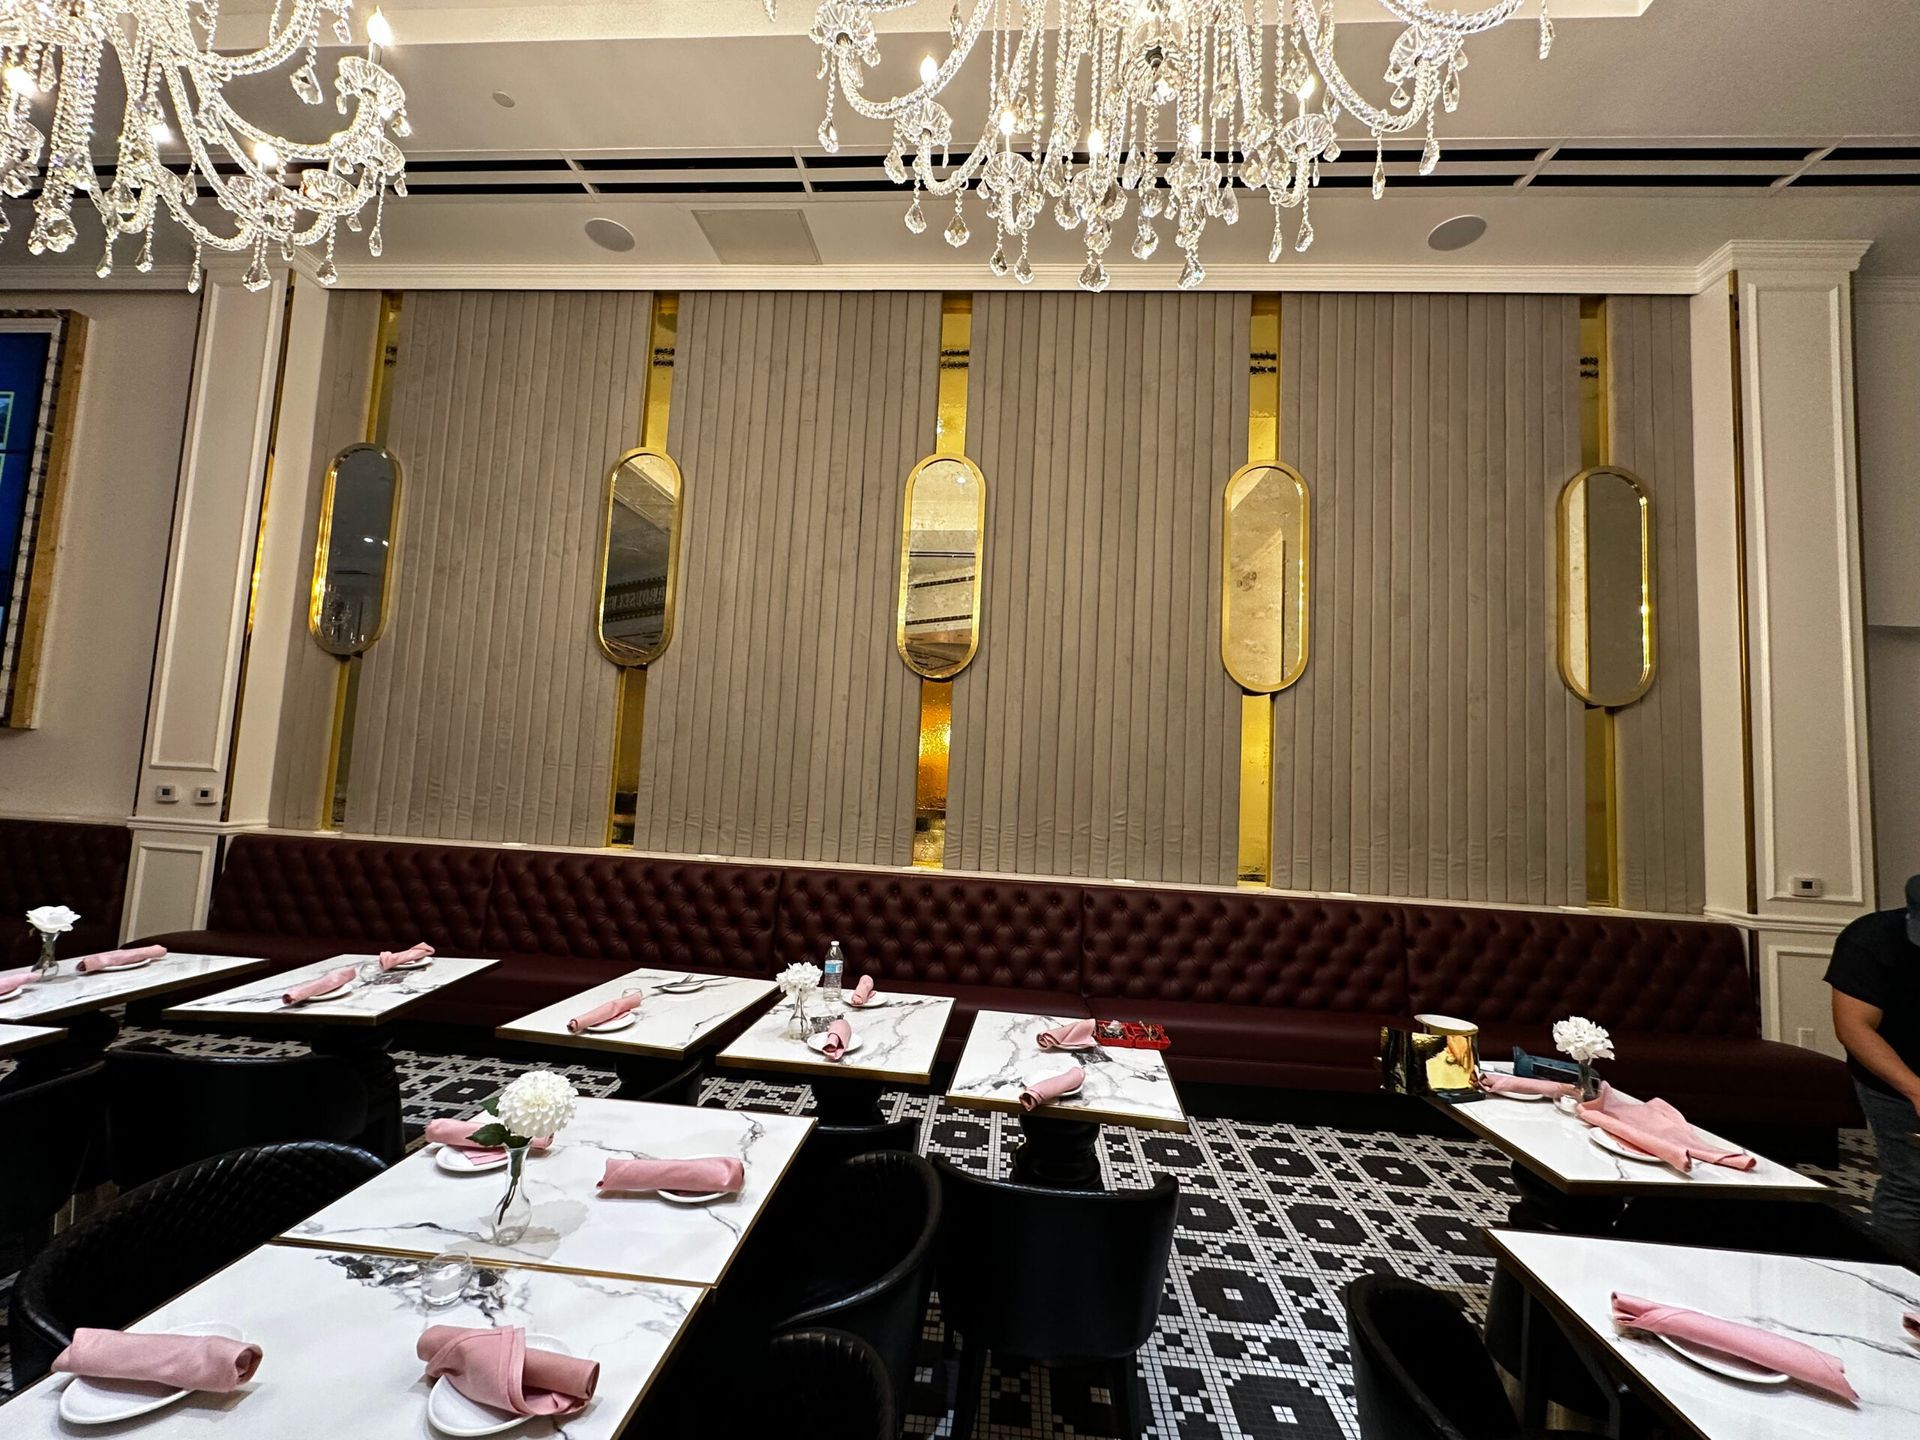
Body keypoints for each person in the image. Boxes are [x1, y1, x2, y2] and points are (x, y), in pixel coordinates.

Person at [1827, 875, 1920, 1256]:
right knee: (1913, 1185)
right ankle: (1896, 1288)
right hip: (1896, 1075)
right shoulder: (1872, 938)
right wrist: (1915, 1090)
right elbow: (1853, 1027)